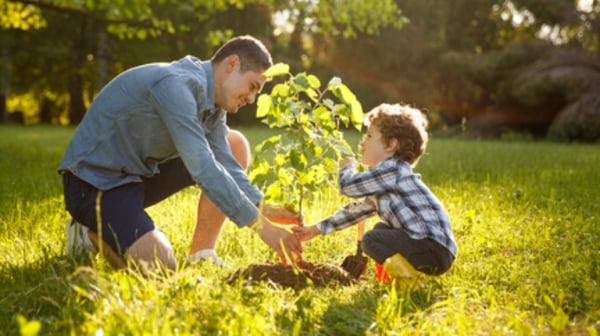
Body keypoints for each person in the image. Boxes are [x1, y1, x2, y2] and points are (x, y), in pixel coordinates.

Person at [59, 35, 303, 271]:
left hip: (136, 176)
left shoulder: (215, 106)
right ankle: (87, 233)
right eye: (252, 86)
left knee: (234, 144)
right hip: (93, 184)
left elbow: (225, 162)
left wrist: (264, 207)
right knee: (161, 267)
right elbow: (203, 167)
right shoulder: (177, 86)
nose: (251, 98)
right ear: (232, 64)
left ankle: (202, 254)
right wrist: (263, 229)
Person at [293, 103, 457, 286]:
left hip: (431, 247)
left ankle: (407, 282)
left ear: (391, 145)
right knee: (380, 230)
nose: (362, 142)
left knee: (371, 239)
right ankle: (390, 280)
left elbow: (348, 187)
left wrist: (348, 167)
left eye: (369, 136)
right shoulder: (386, 180)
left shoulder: (392, 169)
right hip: (434, 249)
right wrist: (314, 229)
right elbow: (355, 211)